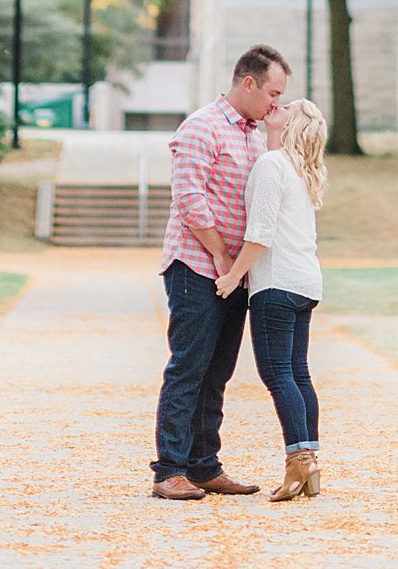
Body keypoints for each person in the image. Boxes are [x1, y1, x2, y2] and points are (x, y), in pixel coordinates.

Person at [150, 44, 291, 501]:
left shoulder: (255, 132)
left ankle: (205, 465)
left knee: (218, 372)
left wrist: (238, 266)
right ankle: (169, 470)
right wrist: (220, 256)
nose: (276, 103)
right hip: (196, 266)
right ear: (247, 82)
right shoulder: (202, 127)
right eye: (272, 92)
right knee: (189, 367)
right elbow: (190, 200)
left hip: (234, 273)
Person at [215, 98, 327, 502]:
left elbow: (259, 232)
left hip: (276, 285)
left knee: (278, 375)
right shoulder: (299, 168)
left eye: (288, 106)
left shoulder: (270, 166)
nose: (277, 103)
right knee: (299, 374)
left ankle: (298, 462)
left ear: (293, 123)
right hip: (305, 284)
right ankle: (311, 461)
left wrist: (231, 276)